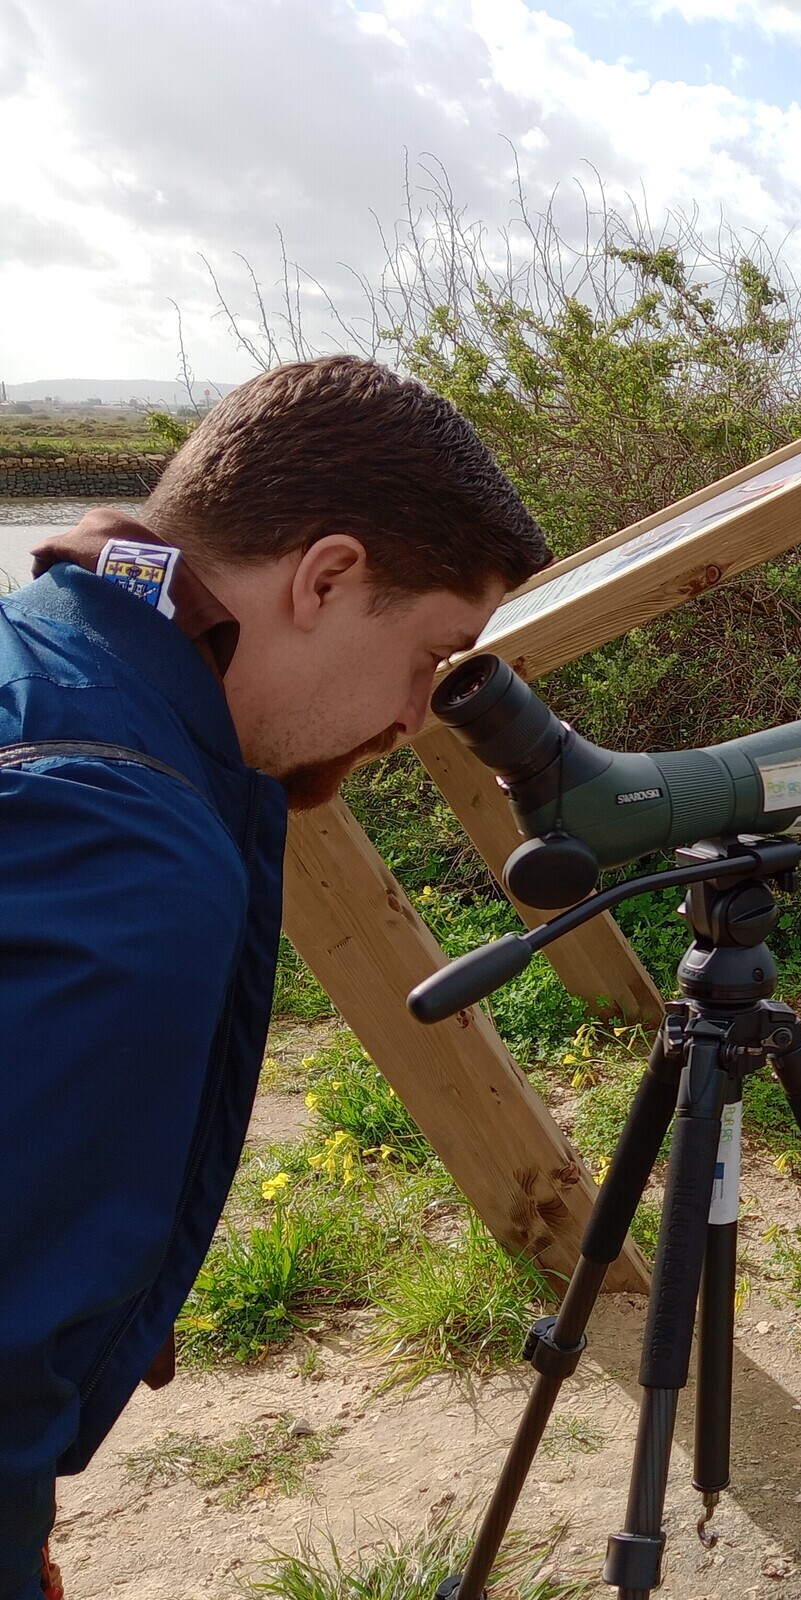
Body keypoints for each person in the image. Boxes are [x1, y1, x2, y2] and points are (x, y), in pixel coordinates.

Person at [0, 356, 550, 1595]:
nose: (418, 713)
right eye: (434, 650)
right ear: (328, 576)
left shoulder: (44, 654)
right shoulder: (130, 857)